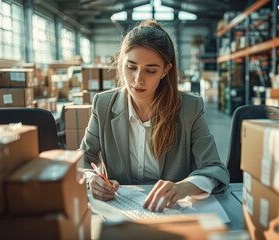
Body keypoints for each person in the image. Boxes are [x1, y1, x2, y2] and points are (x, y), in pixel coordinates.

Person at [80, 20, 229, 212]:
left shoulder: (190, 108)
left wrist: (184, 187)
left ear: (165, 71)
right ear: (121, 62)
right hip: (121, 211)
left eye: (151, 70)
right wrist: (92, 179)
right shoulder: (103, 105)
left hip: (171, 210)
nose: (138, 80)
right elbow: (82, 159)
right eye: (131, 67)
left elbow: (215, 169)